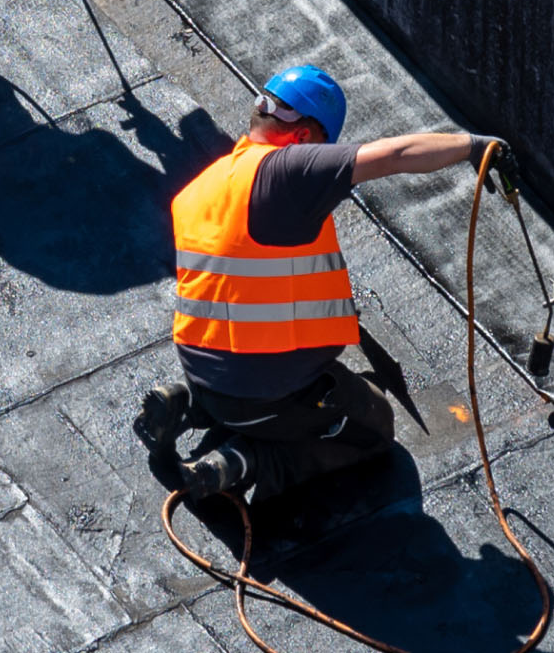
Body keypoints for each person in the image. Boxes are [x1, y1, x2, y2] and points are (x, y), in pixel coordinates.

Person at [133, 64, 515, 501]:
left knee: (260, 393)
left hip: (204, 371)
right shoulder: (288, 170)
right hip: (265, 394)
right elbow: (395, 154)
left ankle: (189, 403)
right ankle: (244, 462)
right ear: (304, 138)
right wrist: (476, 147)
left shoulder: (201, 188)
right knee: (373, 426)